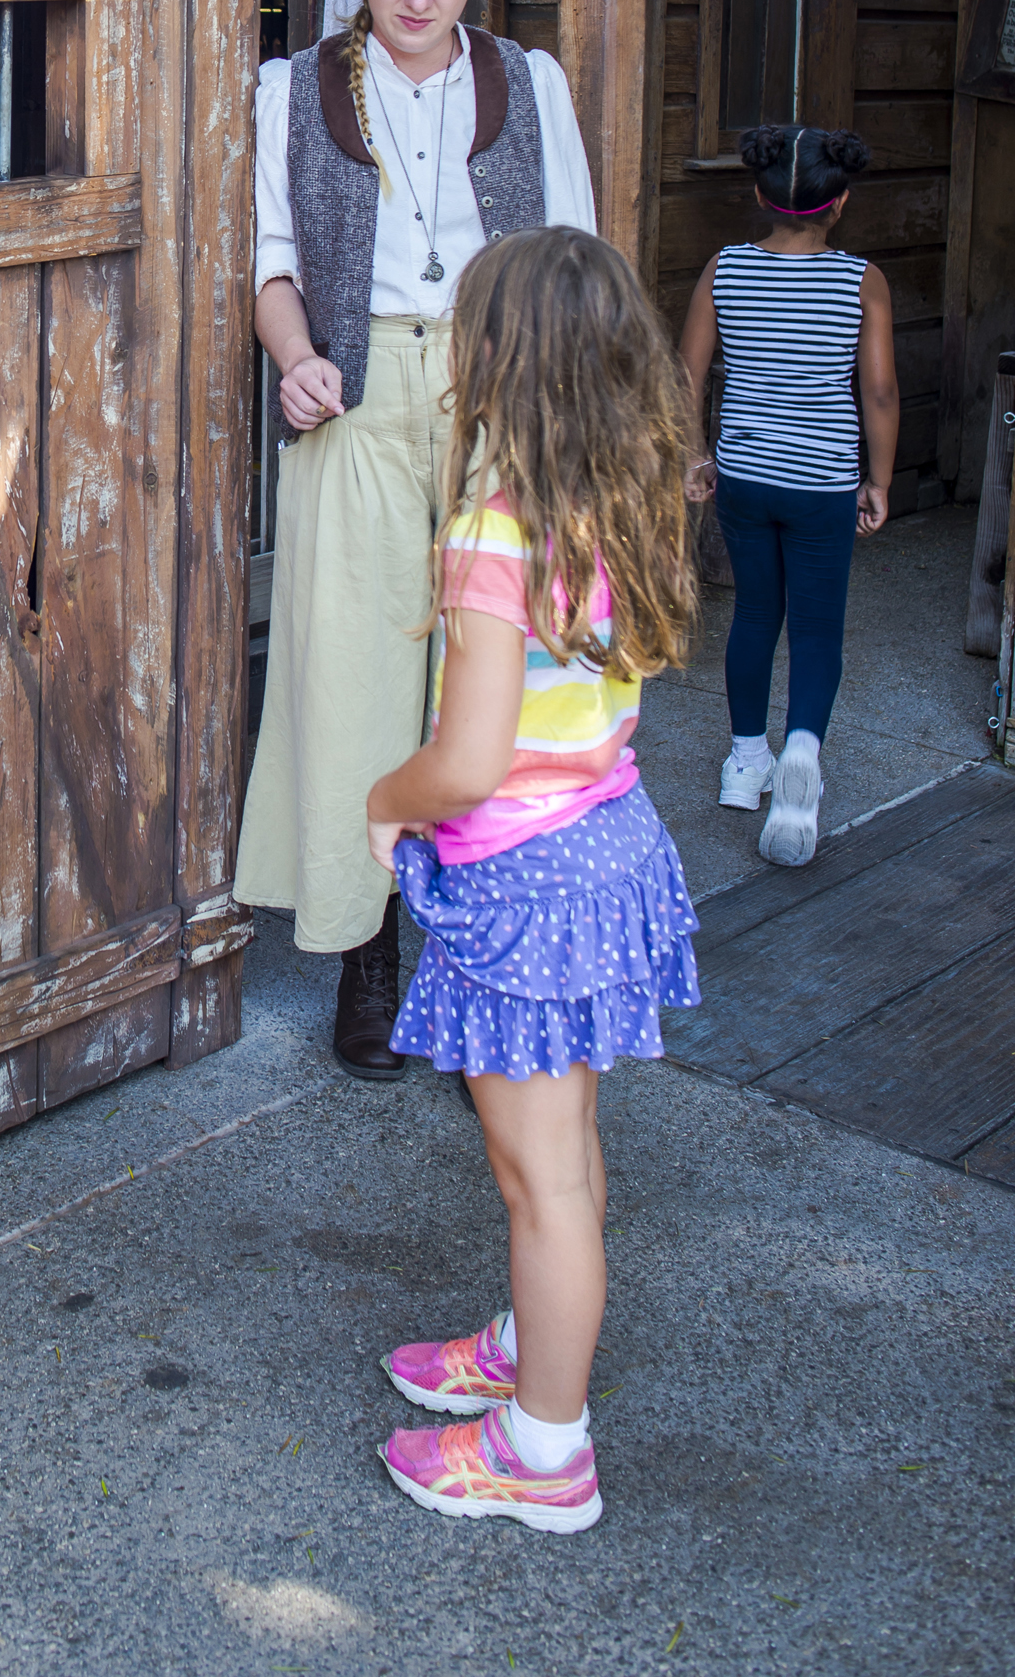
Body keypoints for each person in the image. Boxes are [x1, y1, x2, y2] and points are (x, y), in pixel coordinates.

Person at [235, 0, 595, 1075]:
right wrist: (295, 357)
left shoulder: (531, 83)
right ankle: (365, 952)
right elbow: (271, 263)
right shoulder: (291, 89)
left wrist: (562, 423)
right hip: (360, 389)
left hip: (504, 386)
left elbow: (571, 260)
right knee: (351, 674)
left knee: (489, 674)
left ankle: (474, 959)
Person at [367, 227, 702, 1534]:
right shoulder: (622, 489)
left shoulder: (498, 524)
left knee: (539, 1180)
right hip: (608, 850)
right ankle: (530, 1344)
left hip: (524, 882)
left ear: (496, 358)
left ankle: (544, 1451)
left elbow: (469, 758)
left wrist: (384, 804)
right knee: (567, 1153)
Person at [678, 124, 898, 869]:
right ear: (839, 204)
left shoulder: (725, 268)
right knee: (815, 626)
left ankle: (745, 762)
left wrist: (696, 455)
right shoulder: (861, 280)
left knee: (753, 614)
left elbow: (689, 374)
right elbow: (879, 391)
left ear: (757, 196)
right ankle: (801, 749)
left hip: (744, 476)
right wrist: (879, 480)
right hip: (822, 483)